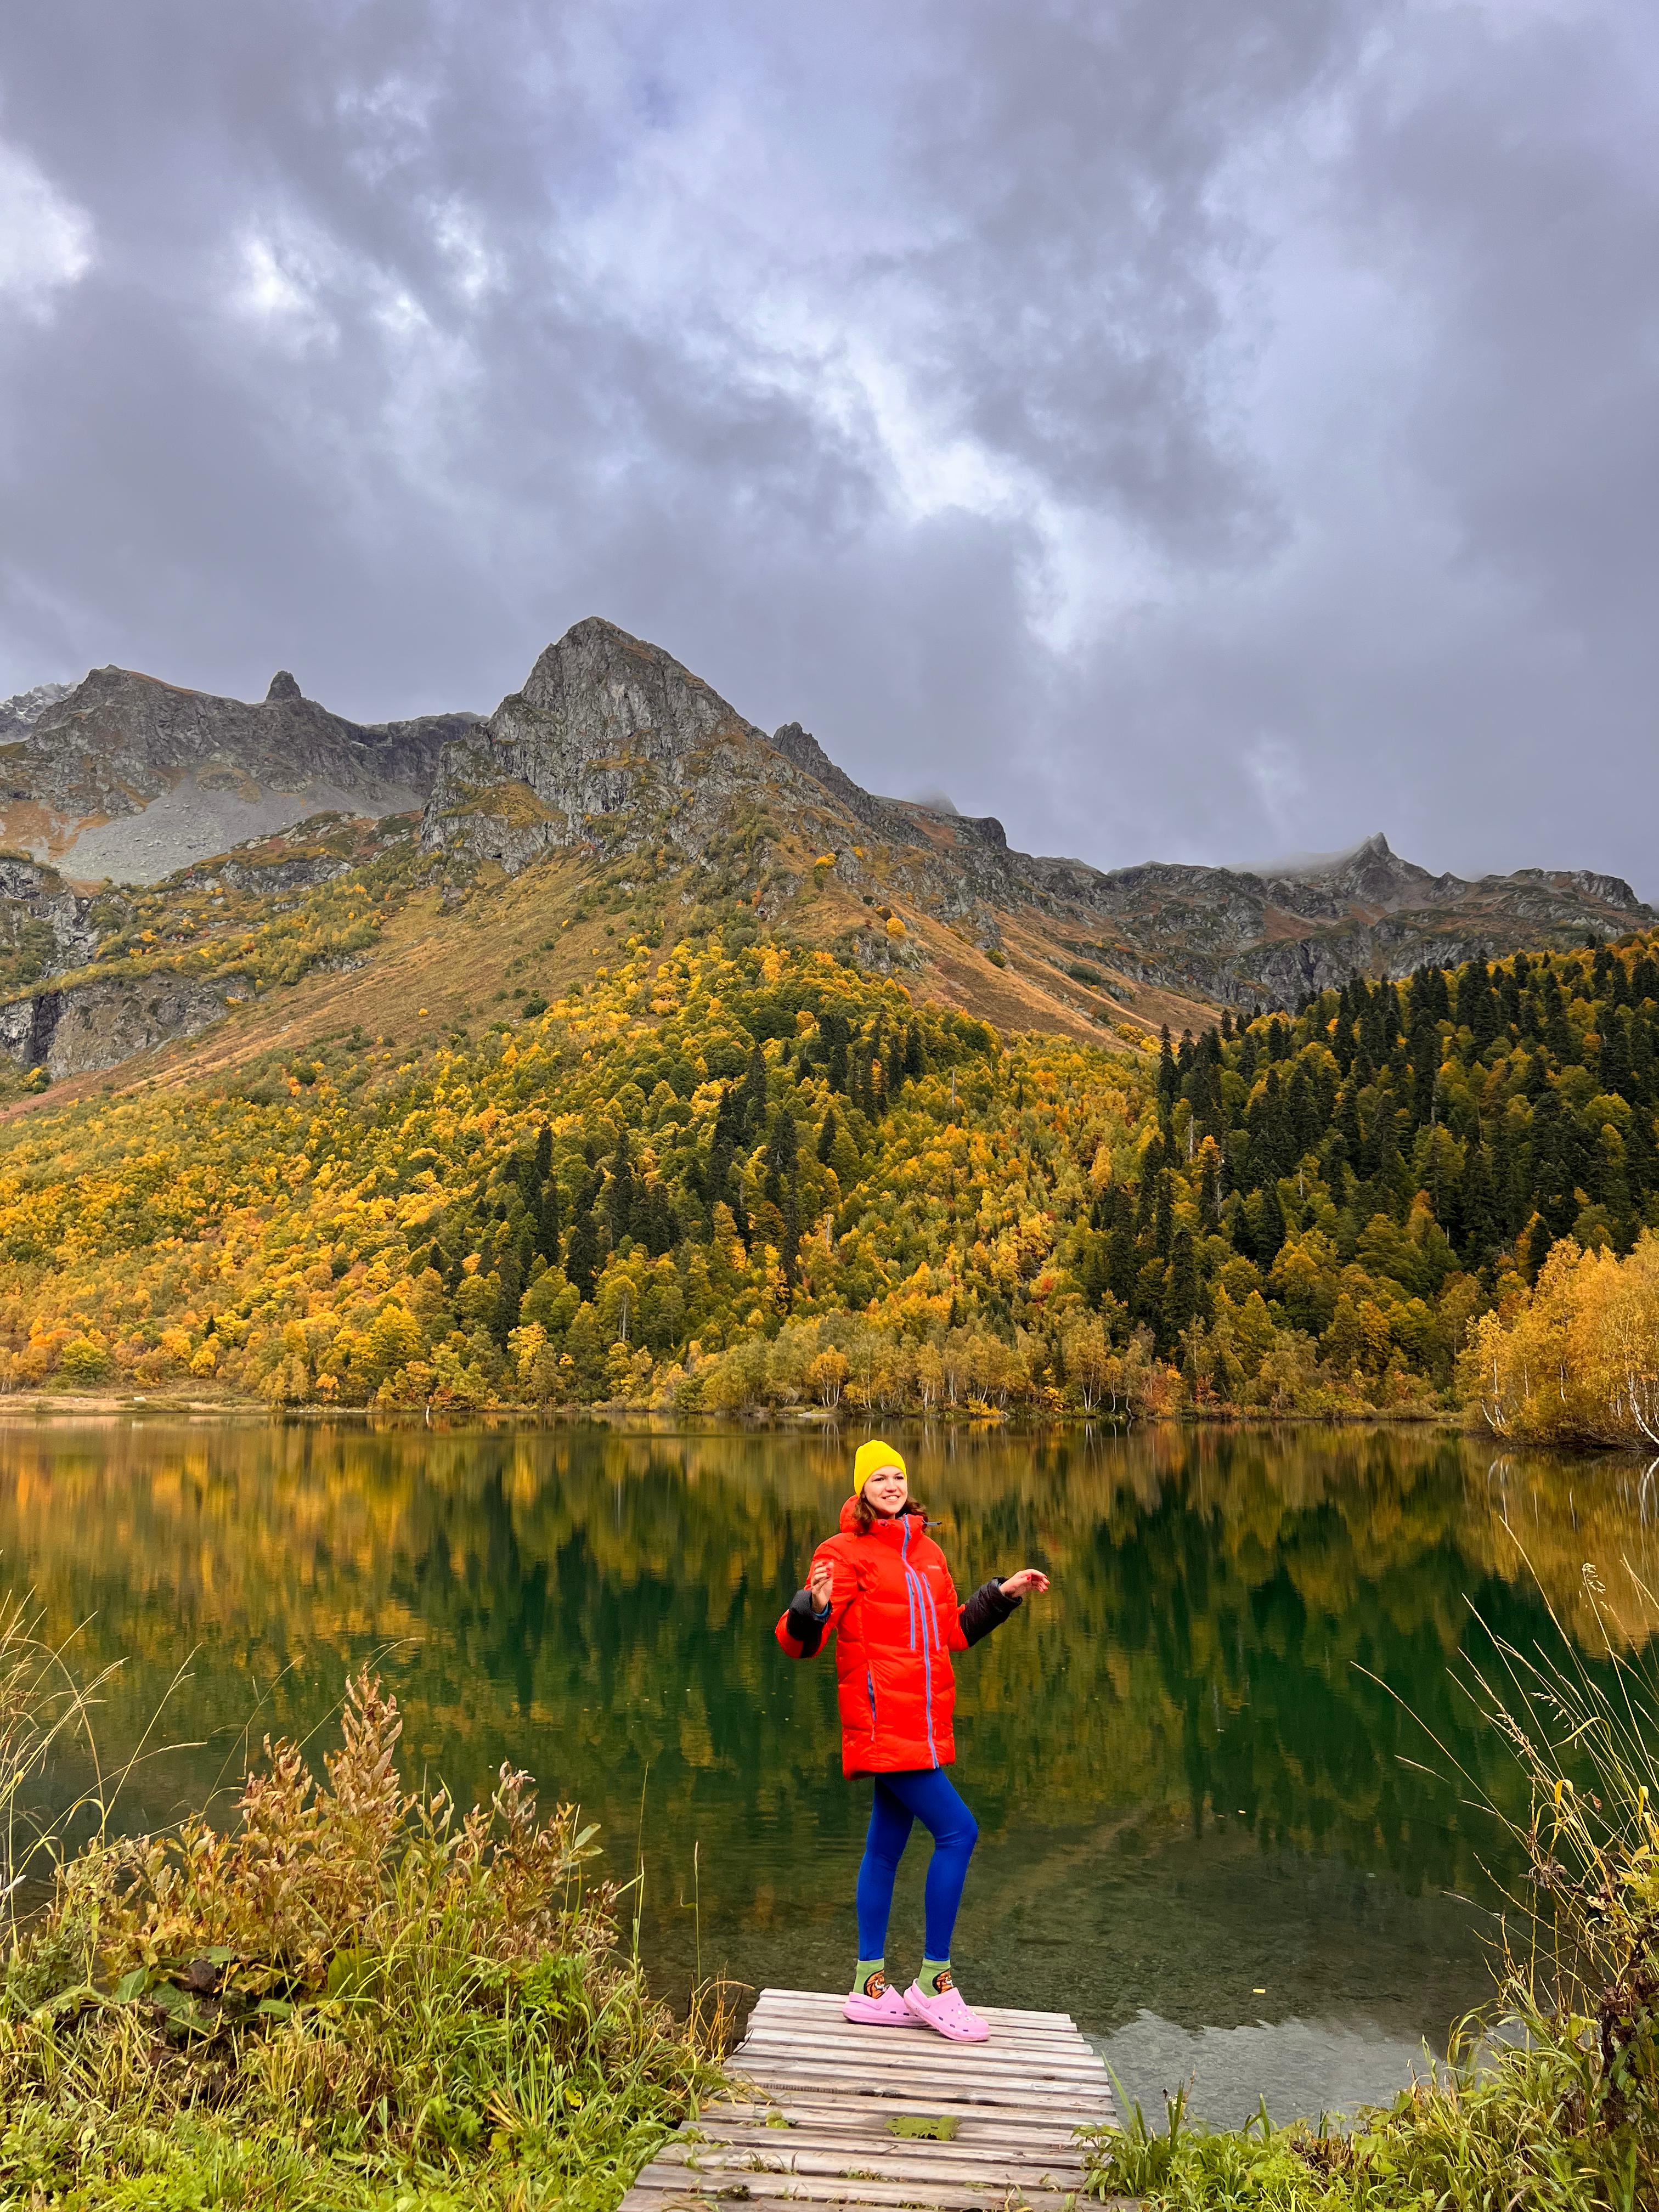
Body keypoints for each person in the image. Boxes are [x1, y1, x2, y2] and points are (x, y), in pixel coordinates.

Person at [774, 1438, 1051, 2042]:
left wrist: (1002, 1595)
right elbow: (800, 1644)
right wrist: (811, 1607)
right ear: (861, 1491)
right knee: (960, 1831)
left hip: (923, 1724)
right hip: (883, 1724)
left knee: (885, 1847)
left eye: (898, 1474)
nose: (892, 1485)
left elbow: (952, 1632)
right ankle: (934, 1981)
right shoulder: (842, 1553)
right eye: (879, 1478)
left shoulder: (927, 1552)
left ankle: (870, 1986)